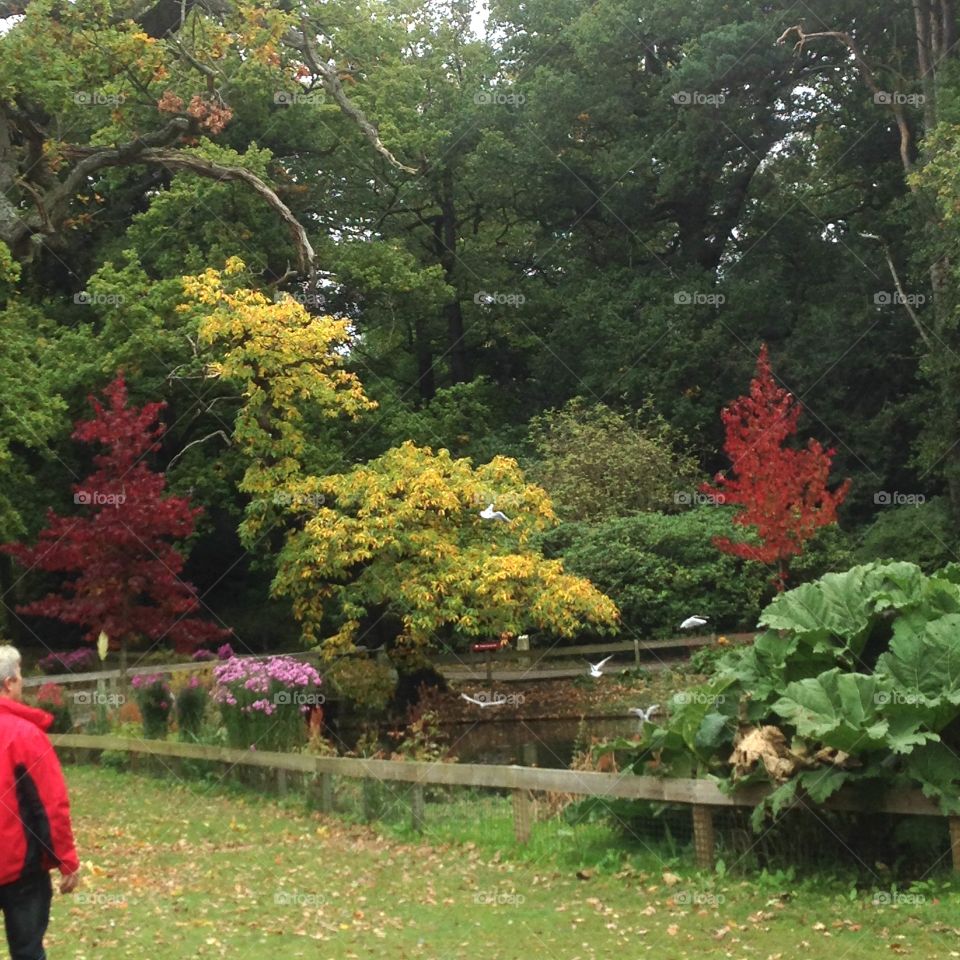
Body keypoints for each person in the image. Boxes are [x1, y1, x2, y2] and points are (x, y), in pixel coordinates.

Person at [0, 645, 80, 959]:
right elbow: (50, 805)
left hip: (21, 866)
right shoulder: (25, 735)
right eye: (20, 675)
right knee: (28, 950)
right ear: (8, 683)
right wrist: (67, 861)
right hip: (22, 869)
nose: (23, 681)